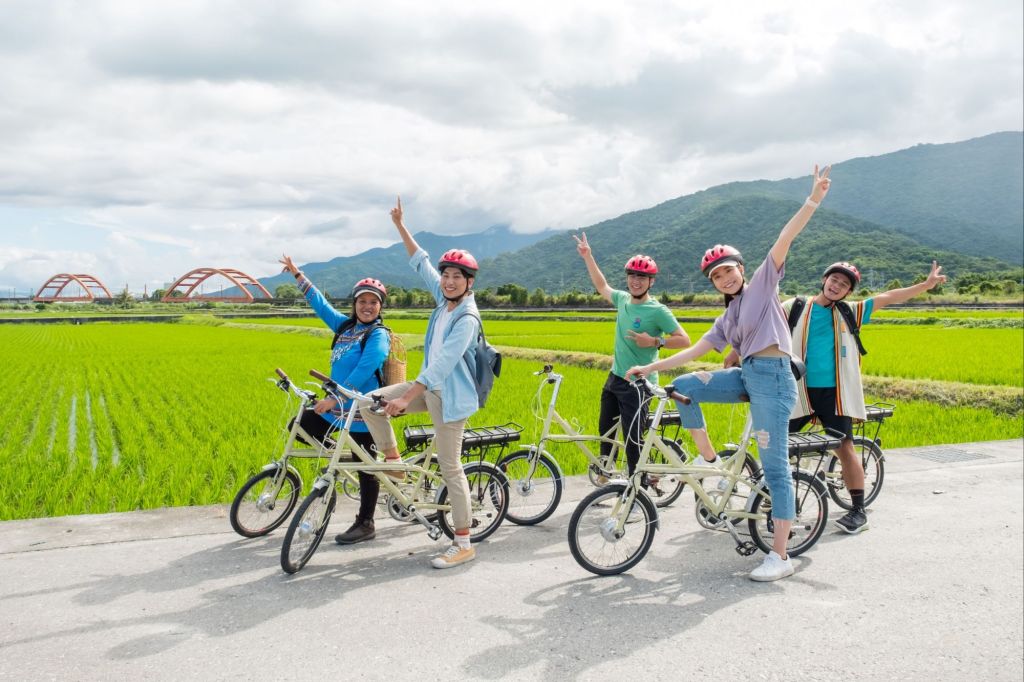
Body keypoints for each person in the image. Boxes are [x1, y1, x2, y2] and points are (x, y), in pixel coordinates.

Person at [627, 164, 832, 582]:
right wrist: (650, 365)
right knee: (683, 385)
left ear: (741, 268)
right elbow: (696, 351)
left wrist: (812, 200)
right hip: (748, 376)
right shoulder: (728, 316)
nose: (723, 278)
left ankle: (781, 556)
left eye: (727, 270)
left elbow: (784, 239)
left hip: (774, 380)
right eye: (715, 276)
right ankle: (710, 463)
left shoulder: (762, 286)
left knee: (774, 466)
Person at [358, 196, 482, 569]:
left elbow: (442, 365)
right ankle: (394, 460)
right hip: (427, 389)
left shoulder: (467, 318)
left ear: (469, 282)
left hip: (450, 399)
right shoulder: (442, 301)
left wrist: (405, 398)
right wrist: (400, 225)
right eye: (446, 275)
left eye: (457, 276)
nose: (448, 281)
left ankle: (463, 542)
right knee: (369, 403)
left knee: (450, 466)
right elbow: (421, 262)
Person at [783, 259, 947, 534]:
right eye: (834, 279)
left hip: (835, 393)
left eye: (844, 284)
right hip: (797, 389)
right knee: (778, 444)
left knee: (844, 447)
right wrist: (736, 351)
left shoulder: (851, 311)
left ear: (848, 292)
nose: (837, 286)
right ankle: (775, 501)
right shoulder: (795, 306)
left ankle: (858, 511)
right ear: (824, 280)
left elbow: (889, 296)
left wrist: (925, 285)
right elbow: (762, 323)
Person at [279, 255, 394, 545]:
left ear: (380, 306)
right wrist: (298, 275)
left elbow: (366, 368)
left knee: (366, 468)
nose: (367, 306)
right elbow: (321, 305)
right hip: (338, 409)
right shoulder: (345, 327)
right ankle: (339, 455)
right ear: (354, 304)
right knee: (301, 423)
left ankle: (366, 523)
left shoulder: (378, 334)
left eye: (373, 302)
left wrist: (335, 397)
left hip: (363, 410)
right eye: (362, 301)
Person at [572, 234, 690, 479]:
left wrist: (655, 341)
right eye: (632, 276)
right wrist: (588, 256)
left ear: (651, 281)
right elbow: (602, 286)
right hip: (615, 377)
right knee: (606, 431)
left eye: (642, 277)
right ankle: (606, 474)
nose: (636, 281)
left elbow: (684, 339)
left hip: (640, 385)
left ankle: (639, 487)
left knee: (633, 440)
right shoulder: (623, 299)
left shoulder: (658, 311)